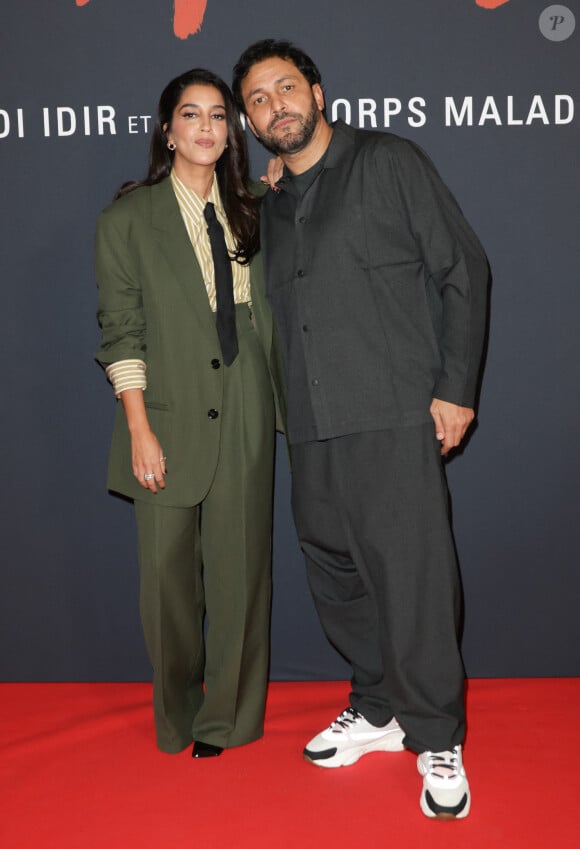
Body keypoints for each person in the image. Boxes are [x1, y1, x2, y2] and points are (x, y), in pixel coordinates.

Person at [233, 40, 489, 818]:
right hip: (308, 421)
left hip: (391, 411)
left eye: (285, 87)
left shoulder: (388, 161)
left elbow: (463, 270)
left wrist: (455, 388)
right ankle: (378, 705)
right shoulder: (268, 201)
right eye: (257, 100)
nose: (275, 105)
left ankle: (435, 731)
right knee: (336, 571)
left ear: (316, 90)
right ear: (250, 122)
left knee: (411, 577)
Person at [95, 68, 282, 758]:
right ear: (167, 129)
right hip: (165, 407)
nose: (206, 127)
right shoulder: (126, 219)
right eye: (190, 114)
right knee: (167, 583)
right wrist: (139, 428)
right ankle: (175, 715)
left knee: (240, 571)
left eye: (218, 116)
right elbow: (121, 330)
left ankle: (228, 718)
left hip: (246, 398)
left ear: (230, 131)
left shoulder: (259, 203)